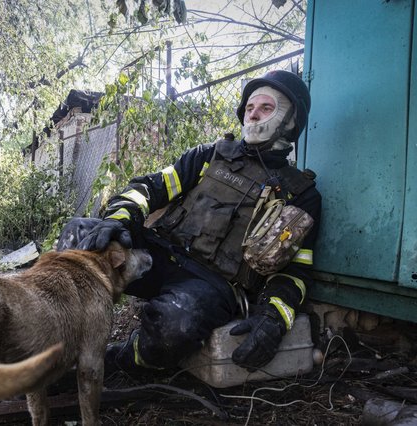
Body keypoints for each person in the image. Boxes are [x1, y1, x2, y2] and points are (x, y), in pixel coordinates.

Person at [57, 70, 321, 374]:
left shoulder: (300, 194)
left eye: (266, 108)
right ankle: (57, 343)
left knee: (175, 325)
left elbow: (297, 273)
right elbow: (149, 188)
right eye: (249, 107)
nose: (253, 115)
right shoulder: (211, 155)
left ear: (290, 120)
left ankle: (123, 360)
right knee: (80, 233)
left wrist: (274, 318)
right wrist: (119, 220)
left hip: (210, 286)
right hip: (157, 256)